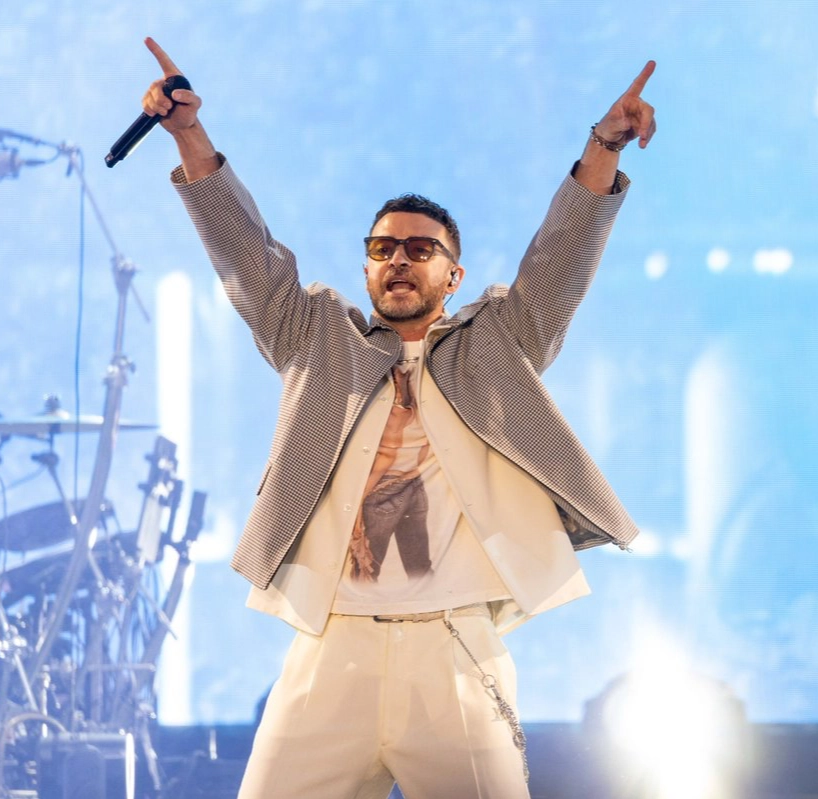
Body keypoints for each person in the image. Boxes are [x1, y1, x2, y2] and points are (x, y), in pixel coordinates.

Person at [140, 37, 655, 799]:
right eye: (382, 248)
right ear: (366, 267)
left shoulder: (500, 341)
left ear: (453, 273)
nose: (399, 259)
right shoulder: (316, 337)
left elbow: (559, 258)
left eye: (420, 248)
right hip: (330, 644)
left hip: (454, 650)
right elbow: (246, 254)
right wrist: (188, 134)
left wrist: (602, 146)